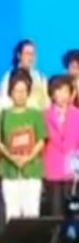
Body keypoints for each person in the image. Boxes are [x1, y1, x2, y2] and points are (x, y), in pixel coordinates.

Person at [0, 69, 48, 221]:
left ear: (28, 93)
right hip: (9, 171)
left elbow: (41, 140)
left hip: (32, 169)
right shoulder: (3, 115)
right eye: (16, 91)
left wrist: (28, 157)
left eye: (23, 91)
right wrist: (12, 157)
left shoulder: (36, 114)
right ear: (10, 92)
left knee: (31, 212)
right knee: (12, 213)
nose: (20, 95)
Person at [44, 74, 79, 217]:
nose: (63, 95)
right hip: (52, 170)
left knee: (73, 214)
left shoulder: (77, 115)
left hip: (73, 172)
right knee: (55, 213)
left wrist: (77, 170)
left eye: (66, 91)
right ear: (52, 94)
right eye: (58, 91)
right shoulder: (44, 115)